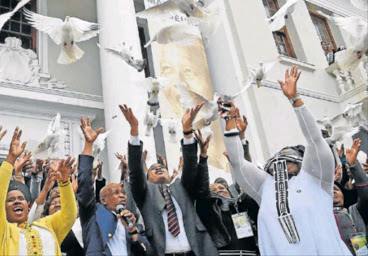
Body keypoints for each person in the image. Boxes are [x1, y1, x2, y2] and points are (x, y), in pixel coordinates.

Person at [223, 66, 351, 255]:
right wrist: (229, 122)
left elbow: (315, 141)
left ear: (301, 160)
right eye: (276, 156)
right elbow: (237, 162)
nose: (280, 158)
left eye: (287, 154)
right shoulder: (265, 188)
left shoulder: (316, 179)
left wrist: (295, 99)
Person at [120, 104, 218, 256]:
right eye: (153, 169)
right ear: (147, 178)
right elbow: (135, 172)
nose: (158, 168)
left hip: (195, 252)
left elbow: (191, 167)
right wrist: (134, 130)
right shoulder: (144, 193)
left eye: (161, 167)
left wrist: (187, 132)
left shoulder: (181, 186)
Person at [0, 127, 77, 256]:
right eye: (10, 200)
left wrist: (64, 183)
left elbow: (69, 214)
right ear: (3, 210)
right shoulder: (0, 232)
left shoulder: (46, 225)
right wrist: (10, 160)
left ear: (28, 205)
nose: (16, 201)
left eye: (21, 199)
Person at [77, 116, 152, 256]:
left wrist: (133, 231)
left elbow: (147, 252)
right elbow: (85, 186)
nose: (123, 196)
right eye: (116, 193)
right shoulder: (93, 216)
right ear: (103, 200)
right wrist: (89, 145)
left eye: (123, 193)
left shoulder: (133, 223)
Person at [333, 139, 367, 255]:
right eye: (328, 191)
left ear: (343, 195)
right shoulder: (319, 218)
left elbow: (365, 194)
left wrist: (354, 166)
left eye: (336, 189)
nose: (333, 193)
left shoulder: (354, 211)